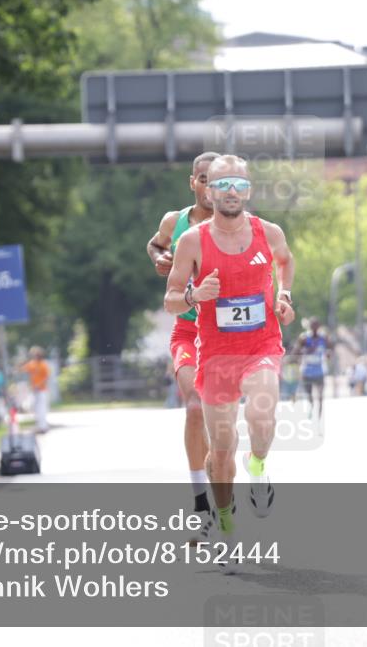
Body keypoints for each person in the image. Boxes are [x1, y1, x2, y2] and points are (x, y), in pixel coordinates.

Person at [164, 154, 295, 574]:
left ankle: (258, 467)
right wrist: (194, 296)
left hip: (261, 345)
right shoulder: (193, 241)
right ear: (207, 191)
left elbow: (285, 262)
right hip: (216, 354)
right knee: (221, 452)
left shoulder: (268, 232)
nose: (231, 191)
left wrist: (284, 296)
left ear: (249, 190)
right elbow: (170, 299)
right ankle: (226, 528)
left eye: (238, 183)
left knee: (262, 414)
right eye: (222, 185)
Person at [147, 150, 220, 542]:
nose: (211, 187)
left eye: (218, 179)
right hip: (189, 330)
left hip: (228, 336)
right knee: (194, 406)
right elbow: (154, 244)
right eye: (204, 179)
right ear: (192, 183)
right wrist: (161, 257)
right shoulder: (174, 222)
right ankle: (201, 505)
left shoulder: (236, 225)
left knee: (220, 419)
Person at [293, 318, 330, 421]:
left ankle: (319, 417)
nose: (314, 328)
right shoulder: (304, 338)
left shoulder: (323, 338)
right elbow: (296, 351)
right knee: (309, 395)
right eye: (312, 326)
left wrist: (328, 354)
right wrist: (305, 350)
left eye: (316, 326)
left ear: (319, 326)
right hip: (307, 371)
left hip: (319, 371)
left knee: (321, 396)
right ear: (309, 326)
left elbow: (330, 349)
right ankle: (311, 406)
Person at [20, 346, 50, 434]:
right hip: (34, 390)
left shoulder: (43, 364)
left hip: (42, 389)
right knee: (35, 408)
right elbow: (22, 369)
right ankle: (40, 425)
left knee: (42, 408)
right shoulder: (32, 363)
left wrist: (39, 384)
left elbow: (46, 377)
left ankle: (43, 426)